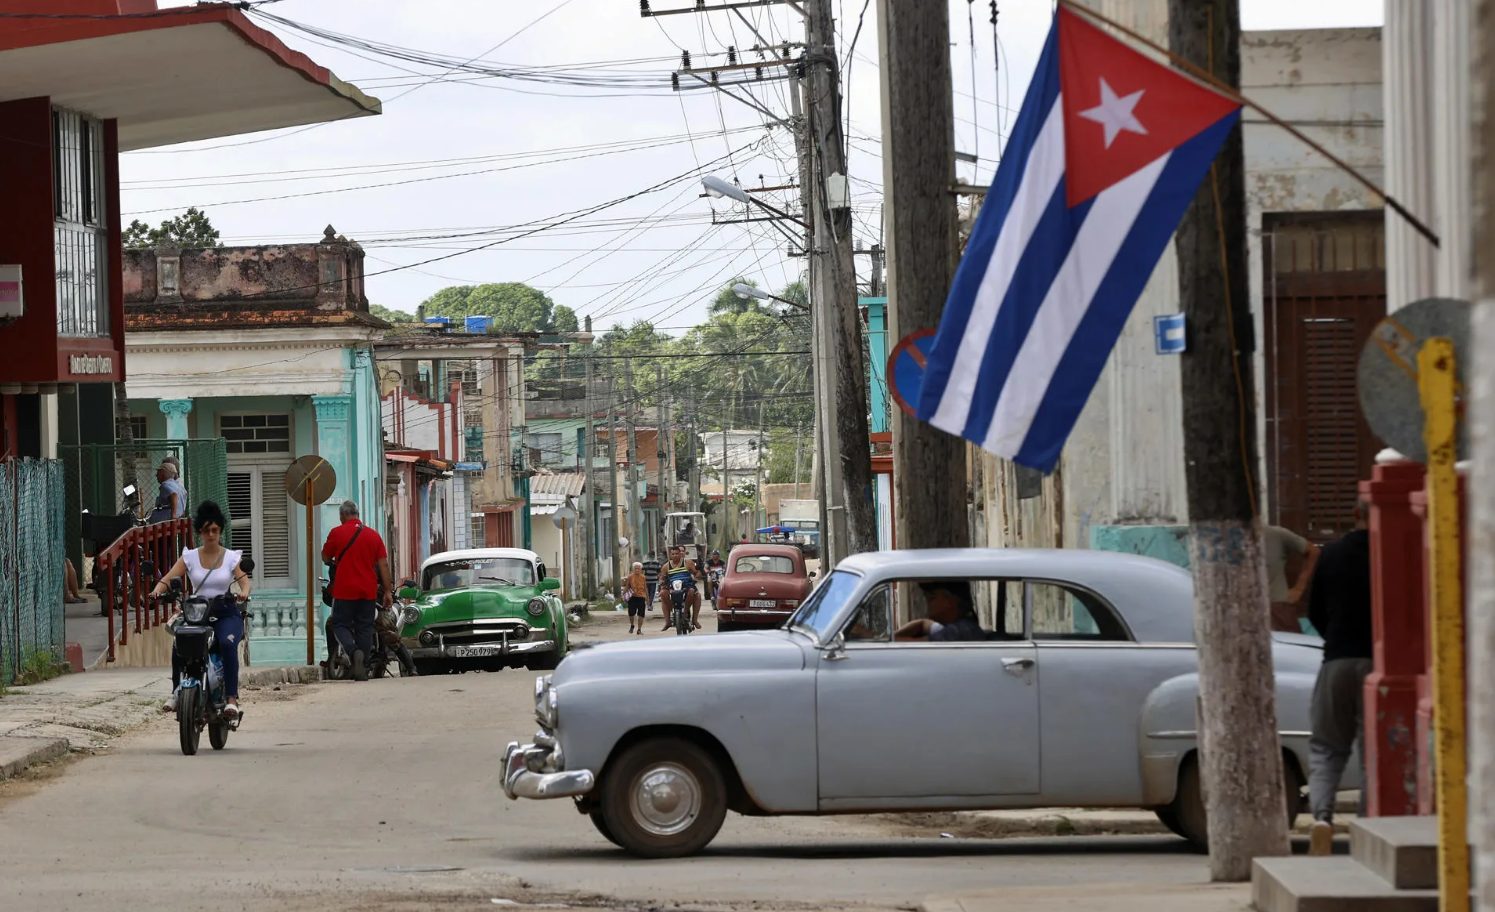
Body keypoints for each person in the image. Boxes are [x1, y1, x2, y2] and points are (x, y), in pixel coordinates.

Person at [1305, 508, 1373, 856]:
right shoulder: (1391, 550)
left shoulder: (1331, 554)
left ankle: (1322, 819)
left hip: (1337, 660)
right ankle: (1367, 823)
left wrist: (1334, 637)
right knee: (1373, 752)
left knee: (1326, 748)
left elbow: (1313, 608)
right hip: (1380, 666)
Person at [149, 501, 252, 718]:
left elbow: (244, 581)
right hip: (197, 613)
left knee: (226, 643)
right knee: (180, 644)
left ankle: (231, 698)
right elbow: (168, 578)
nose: (211, 535)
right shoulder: (190, 557)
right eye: (206, 531)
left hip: (225, 612)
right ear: (200, 533)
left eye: (214, 530)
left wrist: (243, 591)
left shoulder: (231, 558)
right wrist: (157, 590)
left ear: (220, 530)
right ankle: (177, 691)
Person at [320, 500, 392, 682]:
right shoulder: (373, 536)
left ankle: (353, 652)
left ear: (343, 515)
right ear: (357, 514)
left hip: (344, 590)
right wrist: (388, 591)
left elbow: (325, 556)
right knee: (365, 627)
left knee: (340, 624)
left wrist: (333, 560)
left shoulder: (337, 533)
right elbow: (383, 565)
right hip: (367, 590)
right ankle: (363, 666)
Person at [1265, 524, 1319, 633]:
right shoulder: (1227, 538)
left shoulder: (1275, 534)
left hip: (1277, 607)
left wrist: (1299, 588)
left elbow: (1313, 552)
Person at [895, 581, 985, 642]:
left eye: (931, 597)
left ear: (950, 601)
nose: (927, 602)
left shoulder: (958, 632)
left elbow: (909, 646)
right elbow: (923, 624)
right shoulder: (960, 625)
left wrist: (887, 640)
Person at [658, 544, 703, 630]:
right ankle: (668, 620)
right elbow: (662, 577)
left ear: (680, 554)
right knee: (663, 594)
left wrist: (697, 576)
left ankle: (692, 618)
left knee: (695, 594)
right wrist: (661, 582)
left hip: (686, 586)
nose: (675, 556)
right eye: (673, 554)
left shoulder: (688, 563)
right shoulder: (666, 566)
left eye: (677, 554)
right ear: (670, 555)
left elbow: (696, 572)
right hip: (672, 587)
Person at [148, 459, 187, 524]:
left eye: (158, 473)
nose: (156, 475)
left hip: (164, 525)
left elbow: (174, 495)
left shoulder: (165, 484)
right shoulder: (179, 485)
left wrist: (173, 516)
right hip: (178, 520)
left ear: (163, 473)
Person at [625, 562, 648, 635]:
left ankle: (639, 629)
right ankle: (632, 625)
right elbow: (627, 586)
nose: (637, 570)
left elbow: (645, 587)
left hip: (641, 597)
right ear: (633, 569)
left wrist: (648, 598)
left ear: (641, 570)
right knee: (631, 613)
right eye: (636, 569)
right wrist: (623, 594)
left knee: (641, 614)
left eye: (638, 569)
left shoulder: (643, 577)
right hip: (632, 597)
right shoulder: (630, 577)